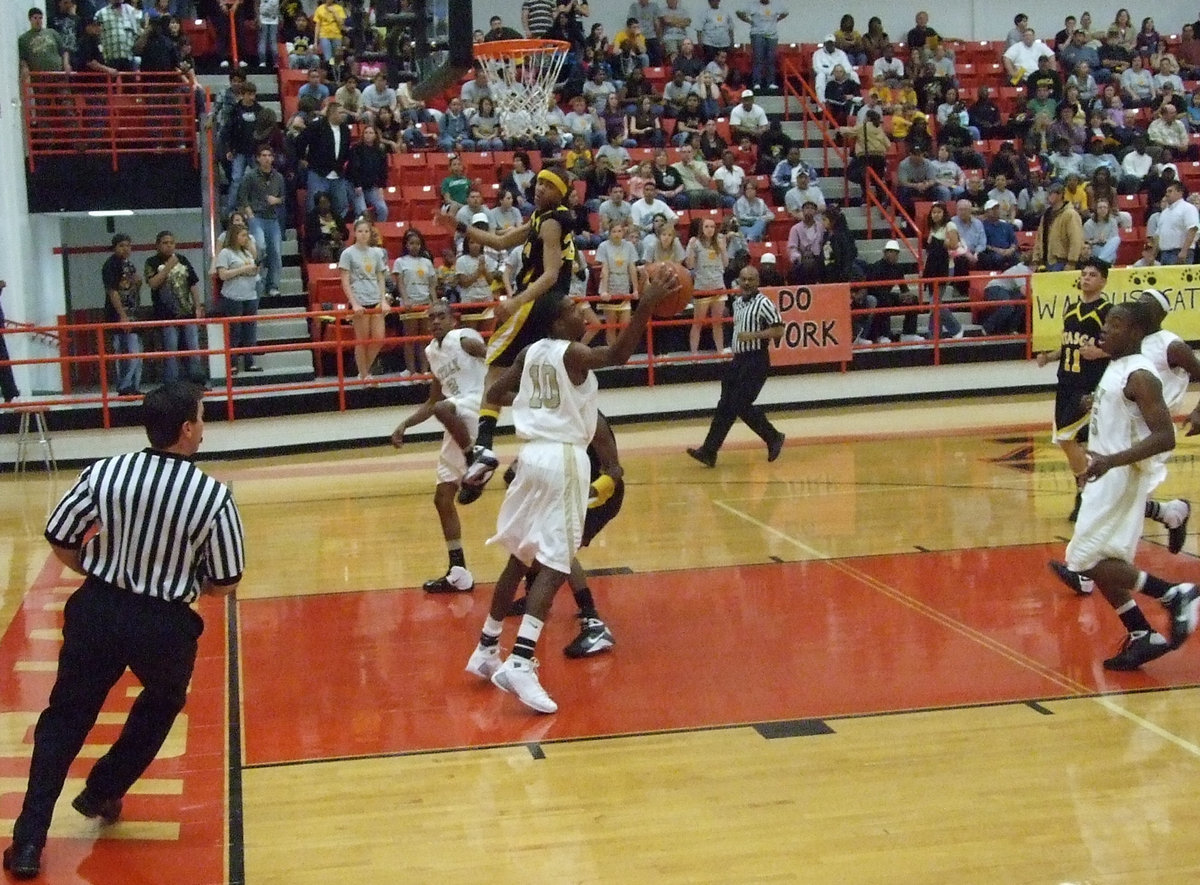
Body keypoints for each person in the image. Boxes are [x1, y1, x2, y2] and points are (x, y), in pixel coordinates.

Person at [2, 382, 245, 881]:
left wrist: (96, 570)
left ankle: (27, 843)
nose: (203, 428)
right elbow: (227, 580)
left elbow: (60, 537)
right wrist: (186, 583)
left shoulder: (105, 472)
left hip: (98, 609)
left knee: (64, 721)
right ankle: (104, 787)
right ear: (185, 429)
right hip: (164, 624)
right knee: (161, 702)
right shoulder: (213, 496)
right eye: (201, 418)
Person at [463, 266, 679, 713]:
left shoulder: (529, 356)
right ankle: (520, 662)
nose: (583, 311)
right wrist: (646, 306)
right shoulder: (570, 353)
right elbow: (619, 354)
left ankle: (486, 648)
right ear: (557, 324)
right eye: (573, 308)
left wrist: (492, 434)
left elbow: (496, 392)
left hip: (530, 456)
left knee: (520, 558)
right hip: (562, 459)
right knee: (555, 564)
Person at [1058, 300, 1199, 671]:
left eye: (1115, 325)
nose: (1105, 329)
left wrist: (1110, 461)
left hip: (1120, 476)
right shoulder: (1117, 367)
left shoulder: (1141, 374)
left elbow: (1165, 436)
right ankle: (1142, 633)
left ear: (1136, 332)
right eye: (1106, 323)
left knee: (1083, 560)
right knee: (1097, 562)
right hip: (1104, 473)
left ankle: (1175, 594)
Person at [434, 165, 578, 503]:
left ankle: (483, 449)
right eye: (538, 182)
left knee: (494, 372)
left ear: (561, 192)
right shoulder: (541, 219)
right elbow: (498, 240)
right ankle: (534, 443)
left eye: (547, 184)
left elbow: (552, 274)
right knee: (525, 378)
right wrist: (457, 226)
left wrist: (515, 302)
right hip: (544, 306)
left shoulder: (554, 221)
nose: (539, 187)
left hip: (538, 303)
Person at [390, 301, 487, 593]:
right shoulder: (432, 352)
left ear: (453, 319)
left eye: (440, 316)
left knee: (446, 409)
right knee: (442, 497)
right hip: (453, 415)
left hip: (475, 406)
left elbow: (495, 356)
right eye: (430, 317)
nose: (434, 321)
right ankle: (458, 572)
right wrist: (405, 424)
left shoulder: (465, 338)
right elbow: (433, 403)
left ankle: (476, 460)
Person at [686, 264, 785, 467]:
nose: (747, 283)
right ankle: (709, 451)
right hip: (738, 360)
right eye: (743, 279)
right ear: (738, 281)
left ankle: (773, 436)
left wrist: (755, 335)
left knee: (740, 403)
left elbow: (779, 330)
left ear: (758, 282)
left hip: (756, 360)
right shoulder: (738, 302)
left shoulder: (764, 302)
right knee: (725, 406)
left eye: (751, 279)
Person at [1035, 256, 1111, 521]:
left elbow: (1120, 348)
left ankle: (1085, 488)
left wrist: (1099, 352)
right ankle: (1087, 494)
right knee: (1075, 441)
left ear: (1103, 281)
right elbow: (1069, 344)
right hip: (1065, 381)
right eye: (1084, 274)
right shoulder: (1070, 310)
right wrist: (1050, 356)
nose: (1086, 278)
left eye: (1092, 274)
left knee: (1066, 438)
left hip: (1088, 385)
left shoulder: (1108, 311)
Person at [145, 231, 205, 385]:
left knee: (193, 348)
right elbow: (153, 284)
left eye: (171, 242)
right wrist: (168, 267)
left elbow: (193, 284)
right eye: (165, 243)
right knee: (171, 349)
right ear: (157, 245)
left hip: (187, 311)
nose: (169, 245)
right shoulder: (151, 262)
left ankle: (197, 382)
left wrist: (197, 306)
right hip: (166, 313)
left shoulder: (183, 259)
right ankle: (172, 384)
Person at [339, 217, 391, 383]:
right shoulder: (347, 254)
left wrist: (383, 300)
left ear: (370, 233)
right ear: (355, 233)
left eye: (366, 231)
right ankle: (364, 375)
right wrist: (354, 303)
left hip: (375, 298)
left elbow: (380, 277)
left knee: (378, 338)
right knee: (361, 340)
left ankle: (364, 371)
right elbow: (345, 280)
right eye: (360, 231)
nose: (363, 234)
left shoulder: (376, 253)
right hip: (359, 300)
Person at [235, 144, 285, 298]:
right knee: (260, 247)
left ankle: (273, 285)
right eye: (263, 155)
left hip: (273, 218)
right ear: (257, 158)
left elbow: (283, 198)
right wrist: (249, 213)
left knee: (276, 253)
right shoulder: (250, 176)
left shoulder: (278, 177)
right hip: (256, 217)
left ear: (273, 158)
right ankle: (258, 282)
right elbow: (242, 197)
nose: (266, 159)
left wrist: (276, 200)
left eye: (269, 155)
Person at [214, 222, 260, 374]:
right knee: (235, 331)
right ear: (234, 237)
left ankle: (249, 361)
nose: (246, 238)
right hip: (233, 297)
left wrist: (252, 269)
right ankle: (232, 363)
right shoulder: (225, 253)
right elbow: (223, 275)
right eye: (243, 235)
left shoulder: (247, 253)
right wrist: (243, 269)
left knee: (249, 331)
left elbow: (252, 271)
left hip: (250, 295)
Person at [101, 233, 143, 396]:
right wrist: (122, 315)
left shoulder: (129, 265)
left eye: (128, 245)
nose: (126, 249)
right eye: (122, 245)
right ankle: (124, 386)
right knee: (127, 352)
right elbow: (112, 291)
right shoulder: (111, 265)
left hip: (133, 313)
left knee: (137, 353)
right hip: (119, 315)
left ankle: (134, 385)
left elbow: (132, 290)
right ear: (115, 247)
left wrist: (137, 283)